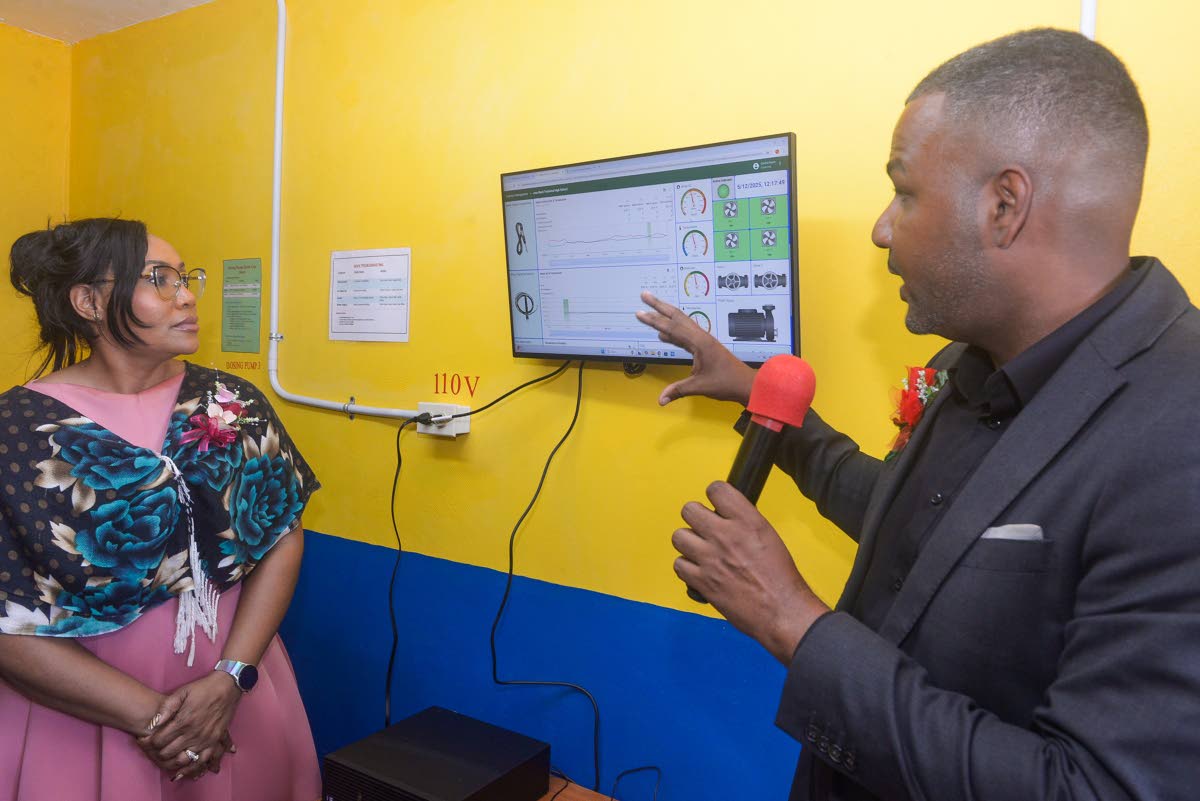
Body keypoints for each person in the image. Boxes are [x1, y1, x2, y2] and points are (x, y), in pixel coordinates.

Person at [638, 28, 1200, 801]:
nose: (882, 226)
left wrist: (793, 622)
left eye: (904, 190)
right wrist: (756, 394)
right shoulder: (971, 364)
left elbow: (1093, 789)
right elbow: (920, 531)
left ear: (1005, 206)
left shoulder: (1178, 432)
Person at [0, 218, 322, 800]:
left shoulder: (232, 403)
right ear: (89, 301)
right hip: (82, 712)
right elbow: (6, 621)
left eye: (185, 276)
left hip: (236, 685)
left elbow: (280, 537)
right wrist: (161, 720)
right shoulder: (19, 432)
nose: (188, 293)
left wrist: (229, 681)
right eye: (160, 278)